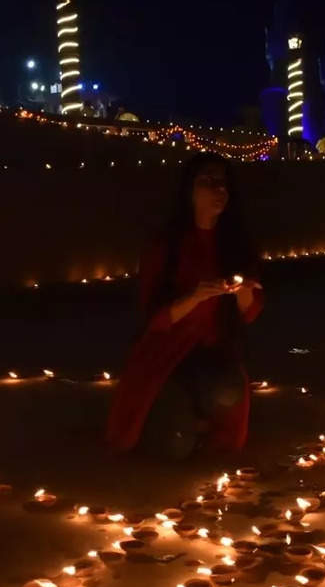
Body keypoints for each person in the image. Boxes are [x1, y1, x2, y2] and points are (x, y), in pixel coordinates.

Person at [107, 155, 264, 459]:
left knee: (227, 390)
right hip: (167, 354)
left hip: (214, 352)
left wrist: (242, 290)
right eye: (208, 182)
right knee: (172, 447)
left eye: (223, 183)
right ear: (189, 191)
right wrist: (194, 297)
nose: (218, 189)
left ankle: (199, 419)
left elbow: (250, 312)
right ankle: (176, 415)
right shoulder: (167, 246)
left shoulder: (235, 245)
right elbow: (155, 318)